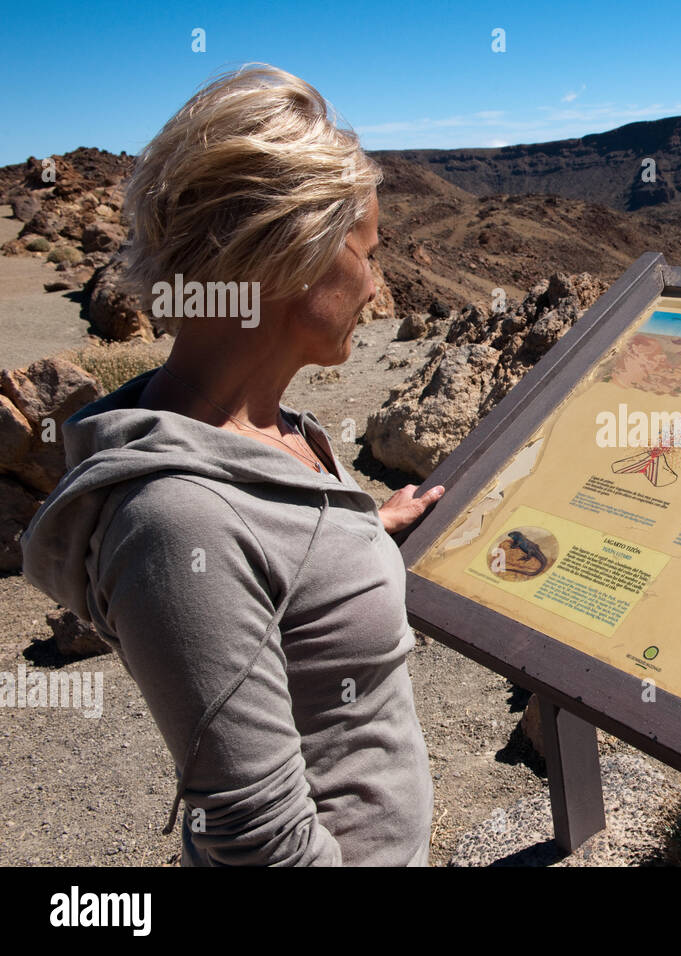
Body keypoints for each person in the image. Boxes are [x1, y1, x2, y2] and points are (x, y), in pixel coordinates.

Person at [21, 64, 443, 865]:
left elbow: (283, 567)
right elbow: (260, 846)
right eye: (368, 253)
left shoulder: (281, 435)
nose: (378, 286)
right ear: (296, 257)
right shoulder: (179, 522)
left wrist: (356, 529)